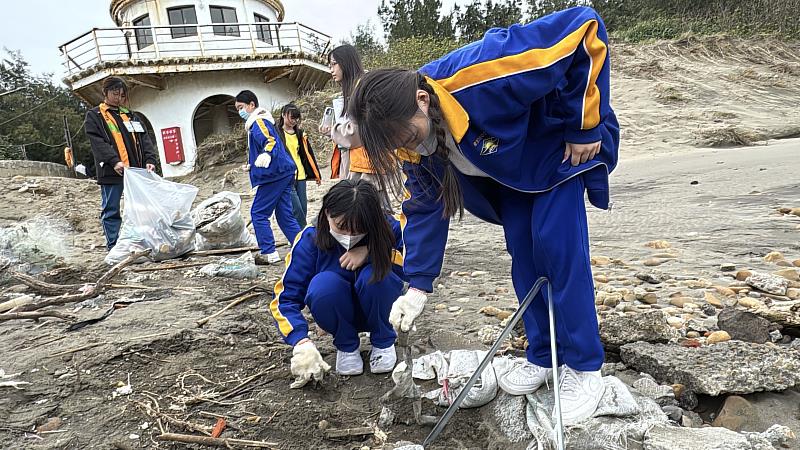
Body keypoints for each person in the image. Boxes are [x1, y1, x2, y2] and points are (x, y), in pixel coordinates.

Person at [346, 7, 619, 425]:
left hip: (558, 148)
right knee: (524, 259)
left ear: (422, 101)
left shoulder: (482, 73)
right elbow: (423, 208)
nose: (409, 148)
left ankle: (584, 368)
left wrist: (584, 126)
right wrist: (416, 287)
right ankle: (544, 356)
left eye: (407, 137)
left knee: (558, 251)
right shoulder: (411, 142)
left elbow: (584, 28)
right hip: (509, 174)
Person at [269, 179, 406, 388]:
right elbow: (285, 298)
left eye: (359, 229)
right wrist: (300, 340)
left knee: (377, 276)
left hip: (381, 310)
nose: (349, 236)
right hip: (337, 314)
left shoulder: (390, 228)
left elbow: (414, 265)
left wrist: (372, 252)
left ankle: (383, 340)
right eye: (341, 227)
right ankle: (347, 345)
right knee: (323, 285)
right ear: (327, 213)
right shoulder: (310, 238)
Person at [84, 77, 158, 250]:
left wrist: (150, 160)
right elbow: (98, 142)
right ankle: (114, 246)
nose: (118, 97)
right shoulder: (94, 116)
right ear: (105, 93)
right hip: (112, 171)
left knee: (142, 208)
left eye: (122, 94)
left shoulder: (130, 115)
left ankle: (143, 242)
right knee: (111, 209)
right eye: (114, 93)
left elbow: (144, 139)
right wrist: (114, 161)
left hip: (136, 171)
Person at [234, 90, 301, 265]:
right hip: (283, 172)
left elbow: (270, 141)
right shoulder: (260, 121)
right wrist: (252, 164)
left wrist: (267, 154)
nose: (240, 111)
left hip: (274, 174)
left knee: (259, 212)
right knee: (284, 214)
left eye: (241, 107)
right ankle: (302, 247)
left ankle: (269, 252)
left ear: (251, 105)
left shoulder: (258, 121)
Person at [275, 103, 322, 228]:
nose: (294, 121)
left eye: (296, 119)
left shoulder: (300, 134)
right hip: (286, 175)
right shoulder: (276, 133)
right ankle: (303, 234)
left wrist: (316, 174)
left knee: (303, 208)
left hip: (300, 174)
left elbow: (308, 154)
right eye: (292, 118)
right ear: (283, 115)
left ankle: (298, 233)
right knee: (296, 209)